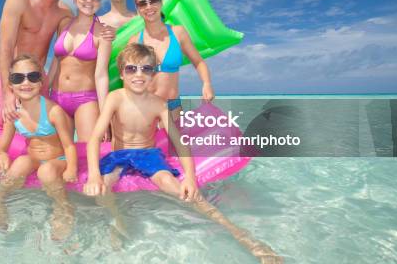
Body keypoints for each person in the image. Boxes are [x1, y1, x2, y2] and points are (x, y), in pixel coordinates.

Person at [83, 44, 282, 263]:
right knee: (103, 187)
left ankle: (243, 237)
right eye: (131, 69)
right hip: (119, 155)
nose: (138, 74)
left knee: (179, 189)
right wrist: (93, 175)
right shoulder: (115, 98)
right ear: (122, 73)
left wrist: (191, 180)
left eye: (146, 69)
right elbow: (94, 139)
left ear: (154, 73)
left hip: (148, 154)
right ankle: (117, 224)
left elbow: (180, 144)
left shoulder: (159, 104)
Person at [0, 0, 115, 129]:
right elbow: (5, 48)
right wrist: (8, 92)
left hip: (38, 80)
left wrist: (106, 29)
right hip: (9, 75)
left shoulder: (64, 13)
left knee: (39, 140)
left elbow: (74, 38)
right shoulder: (19, 1)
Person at [0, 54, 77, 239]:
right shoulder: (13, 115)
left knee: (46, 171)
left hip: (57, 160)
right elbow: (1, 147)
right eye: (18, 78)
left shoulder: (54, 111)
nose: (25, 82)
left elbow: (69, 145)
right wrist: (1, 155)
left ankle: (63, 208)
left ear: (41, 81)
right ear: (10, 84)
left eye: (33, 76)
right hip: (33, 158)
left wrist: (71, 168)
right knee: (19, 163)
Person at [128, 0, 214, 117]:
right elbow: (128, 80)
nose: (149, 7)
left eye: (153, 1)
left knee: (178, 138)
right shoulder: (134, 41)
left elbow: (198, 62)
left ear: (161, 3)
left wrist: (207, 84)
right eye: (143, 3)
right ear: (138, 9)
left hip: (172, 107)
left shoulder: (178, 32)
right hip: (143, 108)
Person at [49, 0, 112, 141]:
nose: (89, 0)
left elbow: (101, 75)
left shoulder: (103, 33)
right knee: (59, 156)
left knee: (89, 153)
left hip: (85, 100)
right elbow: (56, 61)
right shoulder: (63, 24)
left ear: (100, 1)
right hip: (56, 97)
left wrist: (105, 116)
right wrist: (42, 94)